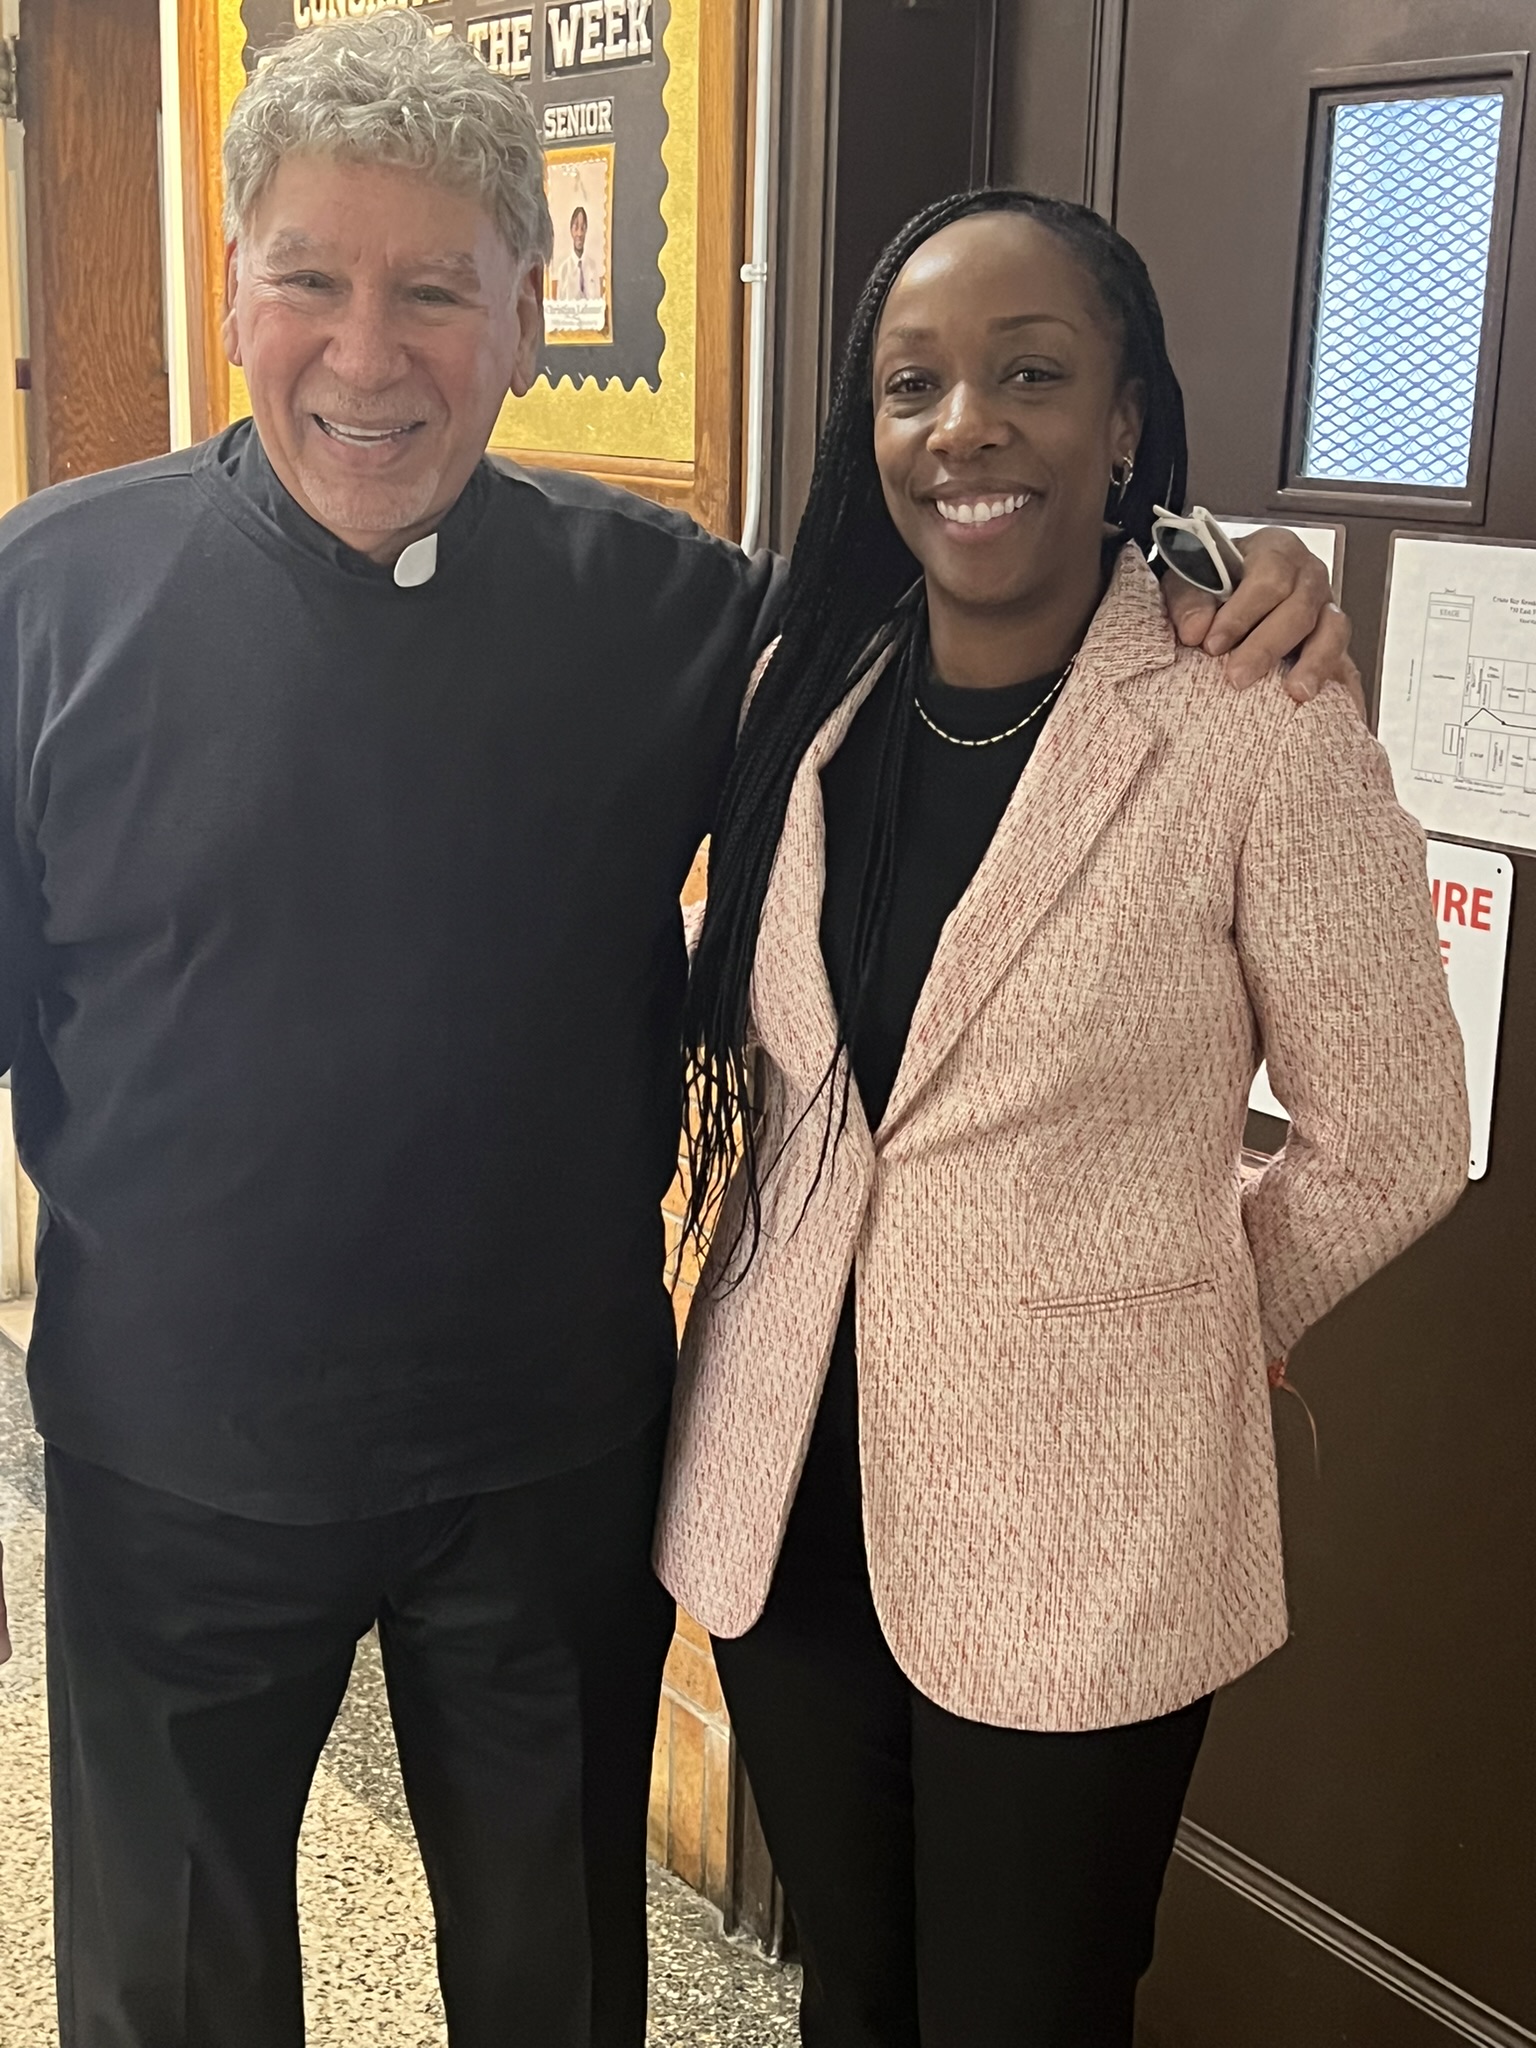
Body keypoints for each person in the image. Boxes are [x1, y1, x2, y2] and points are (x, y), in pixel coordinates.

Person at [0, 13, 1350, 2044]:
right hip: (172, 1463)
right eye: (310, 279)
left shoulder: (681, 611)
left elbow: (979, 579)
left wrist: (1218, 559)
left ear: (525, 314)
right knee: (167, 1993)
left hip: (545, 1463)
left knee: (558, 1984)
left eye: (433, 289)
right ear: (232, 286)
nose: (366, 354)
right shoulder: (44, 601)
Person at [654, 189, 1470, 2048]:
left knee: (1031, 2010)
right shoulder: (809, 694)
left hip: (1086, 1518)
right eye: (913, 384)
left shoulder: (1253, 717)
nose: (967, 427)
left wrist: (1181, 1315)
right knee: (854, 1993)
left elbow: (1395, 1132)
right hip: (786, 1496)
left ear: (1123, 422)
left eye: (1031, 375)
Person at [557, 202, 604, 302]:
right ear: (571, 230)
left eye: (582, 228)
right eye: (576, 227)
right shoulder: (564, 270)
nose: (579, 233)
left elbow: (597, 302)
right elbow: (560, 305)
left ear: (586, 230)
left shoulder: (592, 267)